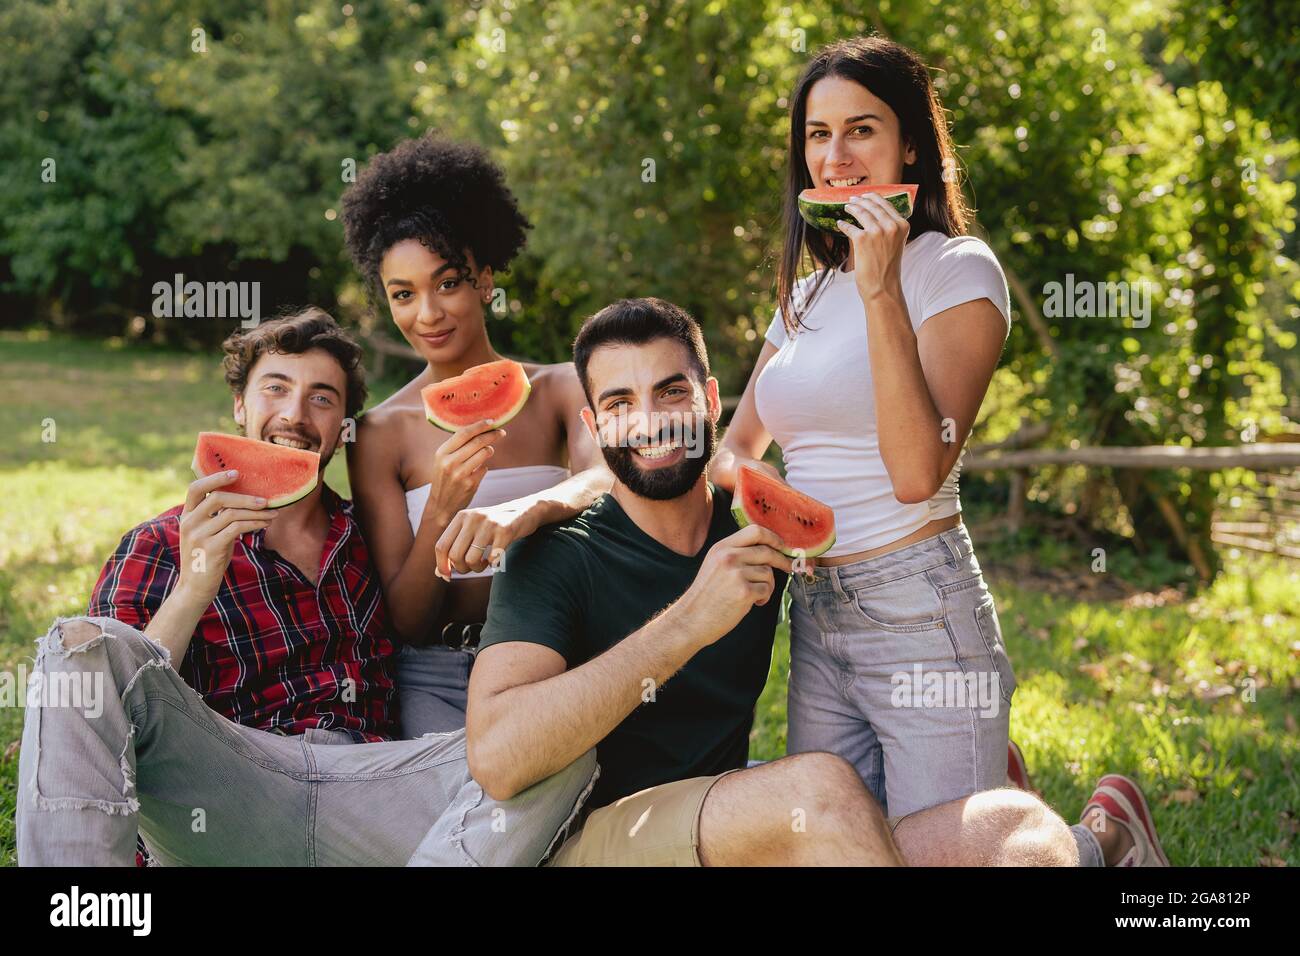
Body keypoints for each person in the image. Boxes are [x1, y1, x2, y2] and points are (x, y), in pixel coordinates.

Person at [465, 297, 1161, 866]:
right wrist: (690, 621)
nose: (649, 422)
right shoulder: (554, 556)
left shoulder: (757, 526)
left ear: (711, 401)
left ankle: (1106, 844)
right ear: (594, 425)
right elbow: (496, 759)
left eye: (670, 392)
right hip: (597, 840)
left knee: (1008, 826)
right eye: (620, 403)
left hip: (733, 832)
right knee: (821, 786)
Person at [711, 35, 1166, 866]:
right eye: (818, 135)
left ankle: (1098, 842)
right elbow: (737, 444)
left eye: (862, 130)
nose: (837, 156)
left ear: (911, 146)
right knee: (838, 851)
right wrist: (765, 501)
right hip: (815, 611)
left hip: (920, 610)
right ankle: (998, 800)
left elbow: (918, 471)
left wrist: (880, 289)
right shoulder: (804, 294)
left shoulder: (958, 272)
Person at [16, 309, 595, 866]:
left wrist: (451, 510)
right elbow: (123, 705)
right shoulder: (161, 542)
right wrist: (194, 586)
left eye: (322, 398)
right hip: (233, 789)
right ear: (239, 406)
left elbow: (421, 618)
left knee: (555, 746)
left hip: (373, 791)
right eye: (275, 388)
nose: (294, 415)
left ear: (344, 429)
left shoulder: (371, 540)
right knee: (80, 646)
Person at [342, 134, 611, 739]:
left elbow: (604, 478)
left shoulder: (561, 387)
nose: (428, 314)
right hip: (435, 672)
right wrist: (441, 508)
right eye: (403, 295)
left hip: (553, 656)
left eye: (448, 283)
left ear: (486, 281)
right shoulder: (378, 433)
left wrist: (520, 512)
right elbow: (407, 623)